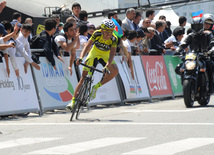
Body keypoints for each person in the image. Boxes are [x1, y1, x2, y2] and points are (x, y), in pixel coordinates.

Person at [66, 19, 119, 110]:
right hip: (94, 52)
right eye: (107, 32)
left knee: (115, 70)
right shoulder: (97, 33)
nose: (109, 34)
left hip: (106, 55)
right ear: (102, 30)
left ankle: (96, 87)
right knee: (83, 78)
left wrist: (106, 66)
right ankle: (73, 101)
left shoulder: (114, 38)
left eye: (111, 32)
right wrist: (81, 57)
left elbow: (112, 55)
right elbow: (87, 46)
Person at [175, 17, 214, 94]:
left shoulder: (207, 34)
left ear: (201, 26)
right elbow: (183, 43)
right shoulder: (191, 35)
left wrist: (210, 51)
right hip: (192, 56)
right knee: (180, 67)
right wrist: (178, 50)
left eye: (198, 26)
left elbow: (213, 43)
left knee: (210, 65)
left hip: (204, 56)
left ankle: (210, 88)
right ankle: (185, 86)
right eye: (195, 26)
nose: (196, 28)